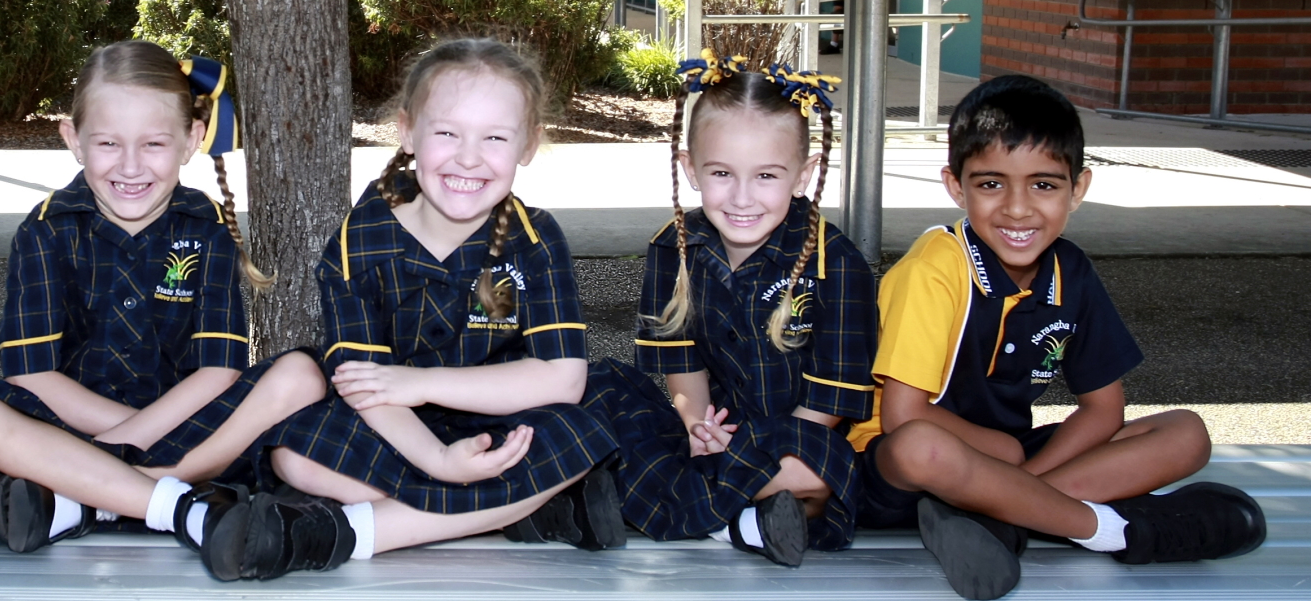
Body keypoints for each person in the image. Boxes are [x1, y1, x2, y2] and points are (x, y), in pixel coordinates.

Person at [207, 37, 623, 581]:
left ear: (528, 144)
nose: (468, 157)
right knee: (292, 453)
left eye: (495, 137)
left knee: (578, 433)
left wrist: (421, 384)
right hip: (393, 427)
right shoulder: (362, 238)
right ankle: (518, 509)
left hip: (497, 415)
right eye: (447, 133)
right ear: (407, 131)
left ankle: (336, 533)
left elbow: (562, 379)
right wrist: (437, 460)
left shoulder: (536, 239)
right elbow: (362, 383)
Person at [846, 74, 1266, 599]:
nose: (1018, 208)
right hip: (905, 464)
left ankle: (1004, 515)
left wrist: (1021, 476)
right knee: (922, 449)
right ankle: (1115, 531)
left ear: (1078, 188)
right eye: (991, 183)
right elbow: (904, 417)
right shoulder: (933, 269)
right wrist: (1006, 457)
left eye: (1043, 184)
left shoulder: (1072, 270)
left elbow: (1102, 410)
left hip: (1014, 458)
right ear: (956, 186)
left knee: (1185, 432)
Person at [0, 41, 327, 566]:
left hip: (183, 422)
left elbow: (218, 371)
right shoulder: (46, 229)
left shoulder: (206, 228)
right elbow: (32, 374)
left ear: (191, 140)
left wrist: (117, 449)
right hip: (69, 427)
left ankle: (93, 496)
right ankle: (170, 497)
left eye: (154, 144)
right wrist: (122, 436)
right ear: (74, 140)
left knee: (302, 375)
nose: (132, 166)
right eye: (109, 143)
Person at [595, 51, 871, 567]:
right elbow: (681, 364)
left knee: (822, 473)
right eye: (722, 172)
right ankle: (743, 520)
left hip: (798, 439)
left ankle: (686, 509)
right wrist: (699, 428)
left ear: (803, 174)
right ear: (690, 168)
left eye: (767, 176)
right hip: (707, 437)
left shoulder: (839, 263)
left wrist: (746, 450)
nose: (742, 197)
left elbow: (832, 401)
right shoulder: (672, 248)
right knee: (599, 388)